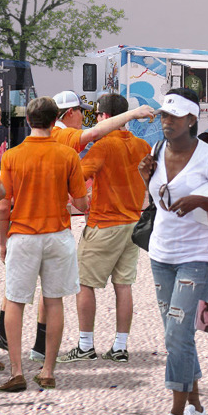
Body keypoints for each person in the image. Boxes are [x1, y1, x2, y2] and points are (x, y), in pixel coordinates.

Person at [94, 92, 208, 415]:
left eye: (176, 116)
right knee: (177, 334)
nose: (167, 121)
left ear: (192, 120)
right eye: (165, 115)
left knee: (177, 336)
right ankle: (196, 409)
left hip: (198, 256)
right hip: (161, 253)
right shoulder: (154, 151)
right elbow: (159, 202)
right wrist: (143, 178)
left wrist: (199, 200)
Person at [0, 94, 87, 392]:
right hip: (58, 234)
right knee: (54, 300)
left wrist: (3, 240)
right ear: (53, 120)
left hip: (23, 234)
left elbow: (3, 205)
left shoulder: (11, 156)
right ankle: (48, 370)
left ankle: (16, 370)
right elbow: (82, 203)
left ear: (29, 121)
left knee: (16, 301)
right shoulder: (68, 155)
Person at [77, 92, 150, 357]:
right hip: (132, 222)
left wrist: (81, 201)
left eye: (97, 117)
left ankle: (85, 345)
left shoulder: (102, 146)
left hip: (104, 223)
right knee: (124, 286)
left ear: (105, 117)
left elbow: (78, 177)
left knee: (84, 284)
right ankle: (120, 346)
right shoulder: (142, 145)